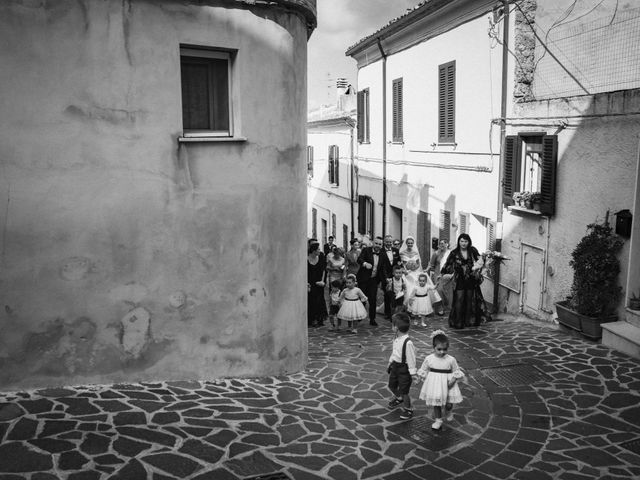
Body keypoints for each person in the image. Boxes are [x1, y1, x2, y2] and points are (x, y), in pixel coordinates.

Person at [417, 329, 465, 430]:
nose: (442, 352)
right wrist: (420, 378)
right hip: (435, 384)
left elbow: (456, 371)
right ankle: (438, 420)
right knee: (436, 403)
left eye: (445, 349)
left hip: (448, 383)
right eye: (439, 349)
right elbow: (424, 369)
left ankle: (448, 411)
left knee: (448, 403)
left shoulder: (451, 359)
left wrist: (454, 379)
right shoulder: (429, 358)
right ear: (433, 347)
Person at [441, 233, 490, 329]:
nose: (463, 243)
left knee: (469, 299)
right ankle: (459, 322)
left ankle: (468, 321)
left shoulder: (472, 250)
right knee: (459, 299)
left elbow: (480, 261)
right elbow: (448, 264)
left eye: (465, 241)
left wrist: (486, 260)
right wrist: (442, 274)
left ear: (469, 242)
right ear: (459, 242)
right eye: (462, 241)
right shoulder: (454, 252)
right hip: (459, 279)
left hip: (471, 279)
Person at [356, 236, 392, 326]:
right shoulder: (366, 250)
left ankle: (372, 319)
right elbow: (359, 259)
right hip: (363, 279)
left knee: (373, 300)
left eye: (380, 244)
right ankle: (359, 316)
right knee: (362, 299)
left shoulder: (383, 254)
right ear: (373, 243)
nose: (378, 245)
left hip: (373, 280)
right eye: (376, 243)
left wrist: (386, 278)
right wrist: (365, 264)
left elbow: (383, 268)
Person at [387, 312, 417, 420]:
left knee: (404, 391)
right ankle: (399, 398)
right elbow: (395, 352)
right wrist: (390, 362)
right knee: (391, 385)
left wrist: (413, 373)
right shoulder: (396, 338)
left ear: (396, 328)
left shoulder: (407, 342)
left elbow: (411, 358)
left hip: (404, 369)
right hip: (395, 366)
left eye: (392, 325)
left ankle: (408, 409)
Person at [427, 240, 452, 316]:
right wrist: (427, 270)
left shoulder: (451, 253)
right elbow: (431, 264)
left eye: (444, 243)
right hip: (438, 274)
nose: (442, 245)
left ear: (447, 244)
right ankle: (440, 308)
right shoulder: (436, 253)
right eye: (440, 243)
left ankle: (447, 305)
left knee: (447, 291)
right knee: (439, 290)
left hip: (448, 274)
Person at [381, 235, 402, 319]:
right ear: (384, 242)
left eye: (390, 242)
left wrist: (398, 271)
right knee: (387, 294)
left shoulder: (396, 250)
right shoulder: (381, 251)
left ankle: (395, 312)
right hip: (385, 275)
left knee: (395, 294)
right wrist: (386, 277)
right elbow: (381, 265)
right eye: (387, 242)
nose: (389, 243)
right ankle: (387, 313)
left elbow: (399, 262)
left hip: (395, 276)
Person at [307, 241, 327, 327]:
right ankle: (312, 319)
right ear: (313, 250)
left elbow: (323, 271)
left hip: (319, 283)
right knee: (311, 301)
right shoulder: (306, 259)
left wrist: (322, 281)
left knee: (320, 300)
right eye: (318, 249)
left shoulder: (321, 257)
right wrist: (306, 283)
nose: (319, 251)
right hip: (310, 283)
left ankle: (320, 318)